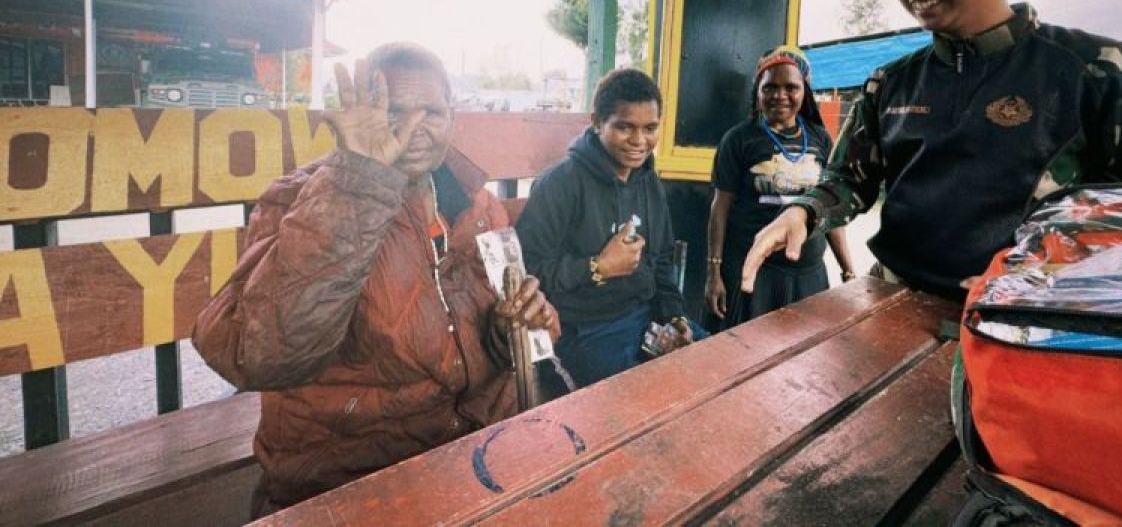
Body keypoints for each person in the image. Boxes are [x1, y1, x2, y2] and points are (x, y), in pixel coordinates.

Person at [742, 0, 1122, 301]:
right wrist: (804, 212)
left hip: (1035, 324)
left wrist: (1057, 278)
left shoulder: (1105, 72)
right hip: (894, 302)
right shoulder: (892, 82)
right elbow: (849, 180)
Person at [193, 43, 560, 512]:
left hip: (474, 452)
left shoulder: (479, 207)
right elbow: (258, 356)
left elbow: (512, 337)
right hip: (354, 472)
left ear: (453, 117)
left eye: (432, 111)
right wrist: (361, 178)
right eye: (394, 111)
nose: (414, 128)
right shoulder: (305, 200)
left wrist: (515, 327)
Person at [516, 68, 703, 388]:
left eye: (650, 128)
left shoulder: (649, 182)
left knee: (714, 366)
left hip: (646, 319)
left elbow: (661, 261)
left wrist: (675, 318)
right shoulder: (561, 184)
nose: (639, 141)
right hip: (583, 330)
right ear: (597, 122)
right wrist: (597, 267)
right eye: (624, 127)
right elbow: (527, 272)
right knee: (649, 398)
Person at [705, 45, 855, 328]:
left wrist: (847, 270)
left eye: (791, 87)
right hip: (752, 275)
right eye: (770, 87)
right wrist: (714, 272)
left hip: (807, 276)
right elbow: (720, 208)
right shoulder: (738, 140)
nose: (780, 96)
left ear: (804, 92)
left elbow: (830, 205)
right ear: (757, 91)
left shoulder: (821, 139)